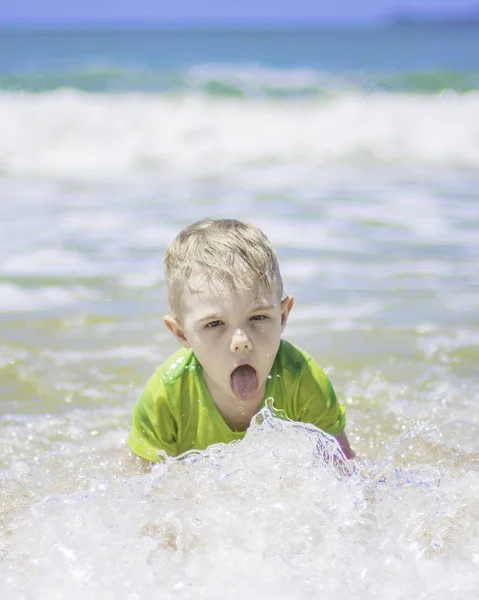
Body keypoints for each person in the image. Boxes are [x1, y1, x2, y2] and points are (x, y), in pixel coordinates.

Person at [128, 219, 355, 463]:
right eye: (214, 324)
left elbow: (345, 471)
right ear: (181, 334)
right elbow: (146, 488)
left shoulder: (303, 380)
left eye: (258, 317)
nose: (240, 341)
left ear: (282, 316)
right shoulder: (166, 396)